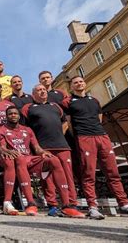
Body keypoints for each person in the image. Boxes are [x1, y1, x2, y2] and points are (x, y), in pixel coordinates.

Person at [62, 76, 128, 219]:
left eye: (81, 81)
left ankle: (124, 204)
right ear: (71, 87)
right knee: (88, 173)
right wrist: (80, 136)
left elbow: (99, 118)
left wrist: (96, 130)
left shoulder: (94, 100)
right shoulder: (69, 102)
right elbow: (69, 124)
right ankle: (93, 207)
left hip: (102, 136)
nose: (79, 84)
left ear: (85, 83)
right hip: (84, 137)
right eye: (75, 82)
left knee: (112, 171)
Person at [0, 107, 84, 217]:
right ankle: (31, 203)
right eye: (10, 114)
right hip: (16, 160)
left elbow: (36, 148)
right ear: (6, 116)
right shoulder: (2, 130)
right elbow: (2, 147)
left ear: (19, 116)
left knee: (54, 160)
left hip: (29, 158)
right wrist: (8, 151)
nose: (13, 115)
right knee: (20, 158)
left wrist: (43, 152)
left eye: (15, 113)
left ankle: (66, 205)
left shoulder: (27, 130)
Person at [22, 84, 79, 216]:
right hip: (43, 147)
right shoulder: (28, 108)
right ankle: (52, 205)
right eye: (38, 90)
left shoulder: (55, 106)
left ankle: (71, 204)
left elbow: (65, 122)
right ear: (33, 94)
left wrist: (60, 134)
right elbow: (26, 129)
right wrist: (36, 147)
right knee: (47, 177)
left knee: (67, 175)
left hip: (62, 146)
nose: (42, 92)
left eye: (43, 89)